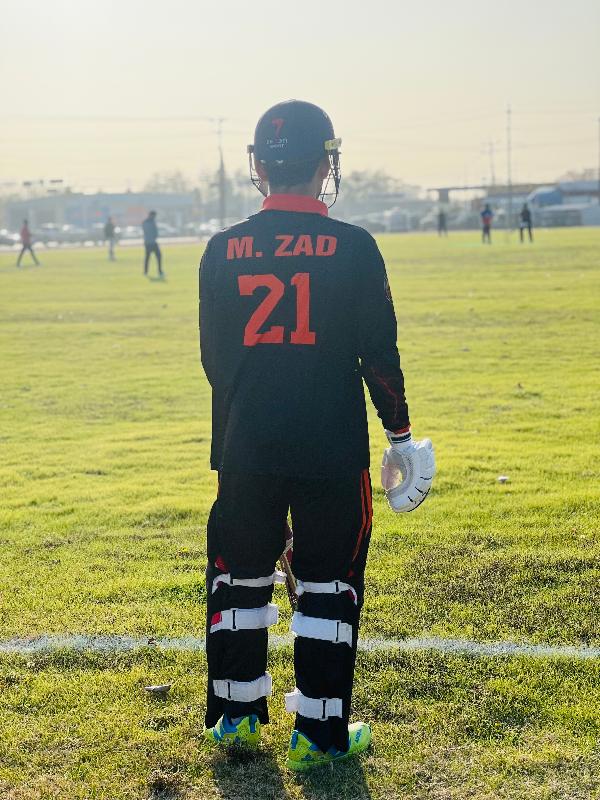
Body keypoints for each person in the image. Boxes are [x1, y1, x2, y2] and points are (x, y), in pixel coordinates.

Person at [199, 100, 431, 770]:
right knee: (329, 584)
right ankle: (318, 735)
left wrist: (244, 425)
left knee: (238, 580)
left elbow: (216, 360)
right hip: (330, 444)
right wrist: (400, 433)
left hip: (246, 443)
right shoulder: (353, 246)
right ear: (326, 163)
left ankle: (235, 721)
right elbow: (378, 355)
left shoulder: (221, 249)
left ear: (258, 166)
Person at [142, 211, 163, 276]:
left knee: (147, 258)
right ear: (152, 215)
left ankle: (145, 272)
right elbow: (155, 232)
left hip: (147, 242)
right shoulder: (152, 222)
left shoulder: (144, 222)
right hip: (152, 242)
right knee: (158, 256)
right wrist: (154, 236)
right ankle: (160, 271)